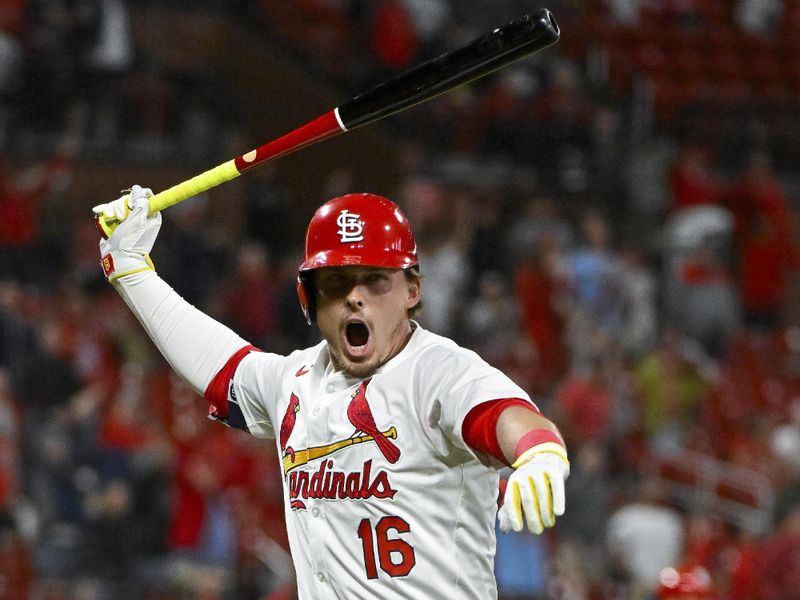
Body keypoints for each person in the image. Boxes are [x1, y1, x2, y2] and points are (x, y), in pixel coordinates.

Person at [92, 186, 570, 599]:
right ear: (309, 299)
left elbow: (507, 414)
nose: (355, 297)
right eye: (337, 282)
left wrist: (539, 453)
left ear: (412, 290)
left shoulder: (439, 371)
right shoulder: (294, 381)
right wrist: (132, 271)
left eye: (376, 280)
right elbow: (219, 363)